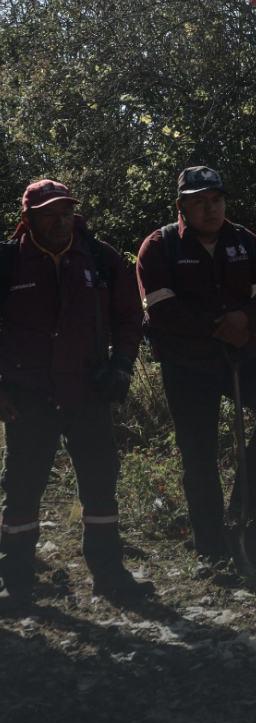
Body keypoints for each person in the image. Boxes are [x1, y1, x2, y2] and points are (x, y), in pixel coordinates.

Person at [0, 180, 153, 607]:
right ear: (27, 219)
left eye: (66, 210)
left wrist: (121, 366)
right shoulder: (8, 262)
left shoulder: (100, 259)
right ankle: (15, 580)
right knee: (23, 489)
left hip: (89, 391)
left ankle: (108, 575)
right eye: (49, 212)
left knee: (101, 486)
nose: (60, 219)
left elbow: (128, 318)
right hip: (28, 397)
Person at [136, 166, 256, 577]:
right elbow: (161, 308)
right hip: (188, 365)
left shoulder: (245, 240)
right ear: (182, 206)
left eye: (216, 199)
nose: (210, 208)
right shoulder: (159, 246)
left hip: (242, 356)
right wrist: (218, 326)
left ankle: (249, 506)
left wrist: (246, 319)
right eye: (199, 202)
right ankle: (211, 545)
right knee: (198, 454)